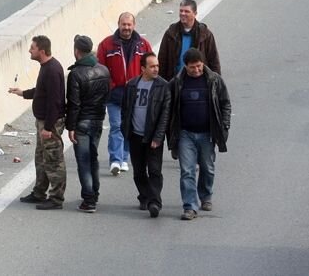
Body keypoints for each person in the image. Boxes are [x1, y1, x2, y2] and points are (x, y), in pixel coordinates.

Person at [167, 48, 231, 221]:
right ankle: (190, 206)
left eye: (199, 66)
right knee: (187, 171)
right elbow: (169, 109)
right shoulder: (177, 83)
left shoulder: (214, 80)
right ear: (185, 66)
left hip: (207, 133)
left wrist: (224, 126)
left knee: (207, 168)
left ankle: (206, 195)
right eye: (192, 67)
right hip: (185, 134)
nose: (196, 70)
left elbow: (225, 104)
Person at [8, 35, 67, 210]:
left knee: (53, 161)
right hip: (43, 122)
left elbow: (55, 102)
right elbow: (41, 92)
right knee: (41, 159)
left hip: (50, 124)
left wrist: (48, 127)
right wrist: (22, 93)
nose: (30, 50)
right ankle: (39, 192)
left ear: (41, 51)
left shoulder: (52, 70)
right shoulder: (45, 67)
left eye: (32, 48)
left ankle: (56, 198)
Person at [97, 12, 154, 176]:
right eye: (124, 24)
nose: (126, 28)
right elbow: (100, 70)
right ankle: (115, 159)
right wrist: (110, 86)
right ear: (118, 24)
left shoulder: (143, 45)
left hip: (137, 96)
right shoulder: (106, 45)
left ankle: (123, 158)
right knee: (116, 126)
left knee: (130, 128)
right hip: (114, 96)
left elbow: (151, 68)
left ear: (134, 25)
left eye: (129, 25)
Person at [121, 52, 171, 218]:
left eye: (157, 66)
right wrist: (125, 130)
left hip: (153, 137)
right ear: (143, 68)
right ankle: (145, 196)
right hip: (135, 135)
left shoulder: (163, 86)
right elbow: (125, 109)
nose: (156, 69)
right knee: (139, 171)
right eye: (152, 66)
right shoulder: (132, 85)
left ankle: (155, 202)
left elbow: (165, 115)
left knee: (155, 171)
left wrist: (158, 137)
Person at [65, 34, 110, 213]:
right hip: (98, 120)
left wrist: (71, 127)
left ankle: (89, 199)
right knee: (93, 158)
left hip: (82, 122)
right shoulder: (104, 70)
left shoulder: (75, 74)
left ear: (77, 51)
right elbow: (107, 95)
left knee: (83, 161)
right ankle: (94, 193)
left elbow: (74, 104)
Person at [158, 0, 222, 80]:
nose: (182, 13)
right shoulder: (170, 33)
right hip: (175, 82)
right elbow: (162, 59)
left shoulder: (205, 34)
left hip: (199, 81)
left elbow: (214, 61)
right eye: (181, 11)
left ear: (195, 13)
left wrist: (216, 83)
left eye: (186, 11)